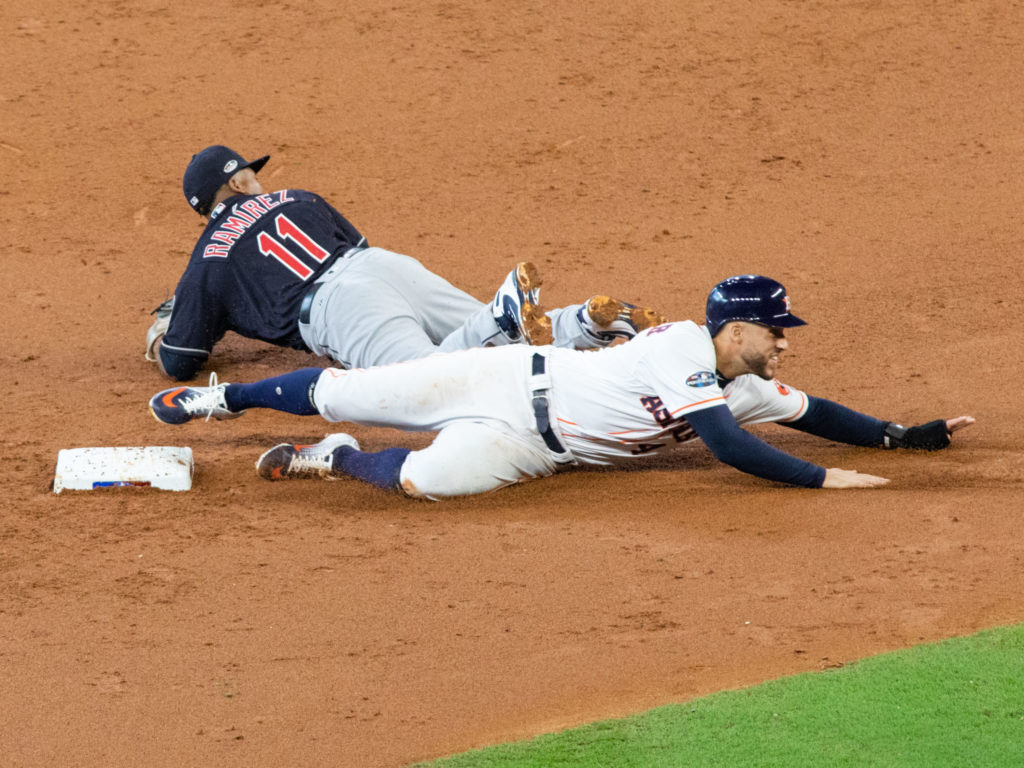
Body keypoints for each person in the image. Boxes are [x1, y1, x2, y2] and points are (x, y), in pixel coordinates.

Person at [147, 275, 975, 500]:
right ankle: (224, 400)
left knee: (424, 480)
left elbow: (818, 413)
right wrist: (824, 479)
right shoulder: (685, 348)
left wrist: (901, 437)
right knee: (352, 389)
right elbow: (724, 446)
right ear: (733, 329)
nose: (784, 343)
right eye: (775, 330)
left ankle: (332, 462)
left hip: (532, 449)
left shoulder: (742, 382)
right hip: (506, 376)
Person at [145, 145, 665, 381]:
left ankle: (498, 321)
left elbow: (181, 361)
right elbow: (362, 251)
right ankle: (588, 324)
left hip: (340, 310)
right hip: (387, 270)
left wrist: (164, 331)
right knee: (511, 340)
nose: (260, 180)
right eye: (252, 176)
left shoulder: (208, 258)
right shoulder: (299, 198)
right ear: (237, 183)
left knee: (431, 385)